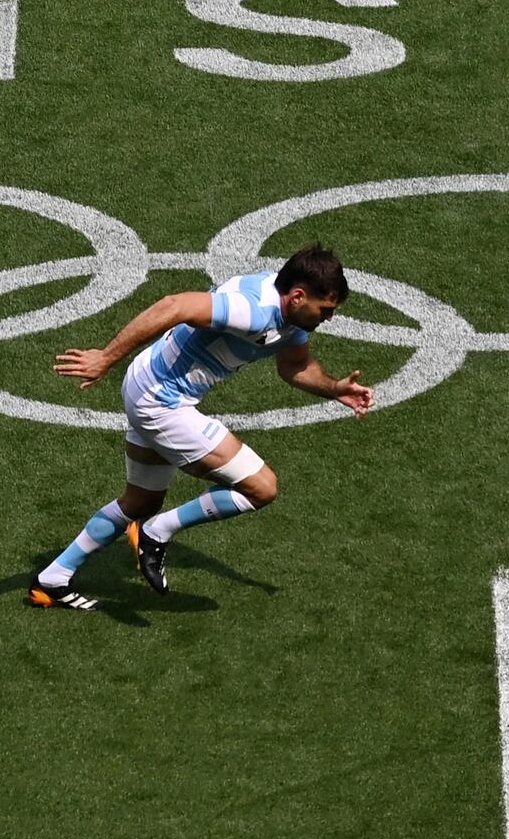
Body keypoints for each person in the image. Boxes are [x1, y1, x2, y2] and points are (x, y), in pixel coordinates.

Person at [27, 246, 373, 608]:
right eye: (326, 309)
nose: (329, 318)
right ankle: (156, 532)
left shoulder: (290, 316)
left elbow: (295, 366)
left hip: (145, 383)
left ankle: (53, 578)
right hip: (160, 403)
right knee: (261, 488)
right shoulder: (252, 312)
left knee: (141, 500)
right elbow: (173, 305)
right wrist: (105, 357)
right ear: (298, 296)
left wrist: (335, 389)